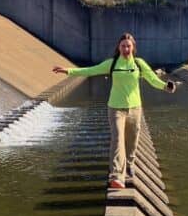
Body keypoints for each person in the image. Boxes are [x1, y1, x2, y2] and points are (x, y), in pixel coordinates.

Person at [53, 32, 176, 189]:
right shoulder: (112, 64)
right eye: (123, 46)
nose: (126, 49)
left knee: (132, 141)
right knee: (117, 139)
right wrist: (69, 71)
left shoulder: (138, 64)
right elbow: (91, 70)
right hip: (116, 108)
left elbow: (152, 79)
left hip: (135, 109)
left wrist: (165, 86)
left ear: (133, 47)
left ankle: (130, 163)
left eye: (128, 46)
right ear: (119, 47)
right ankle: (117, 175)